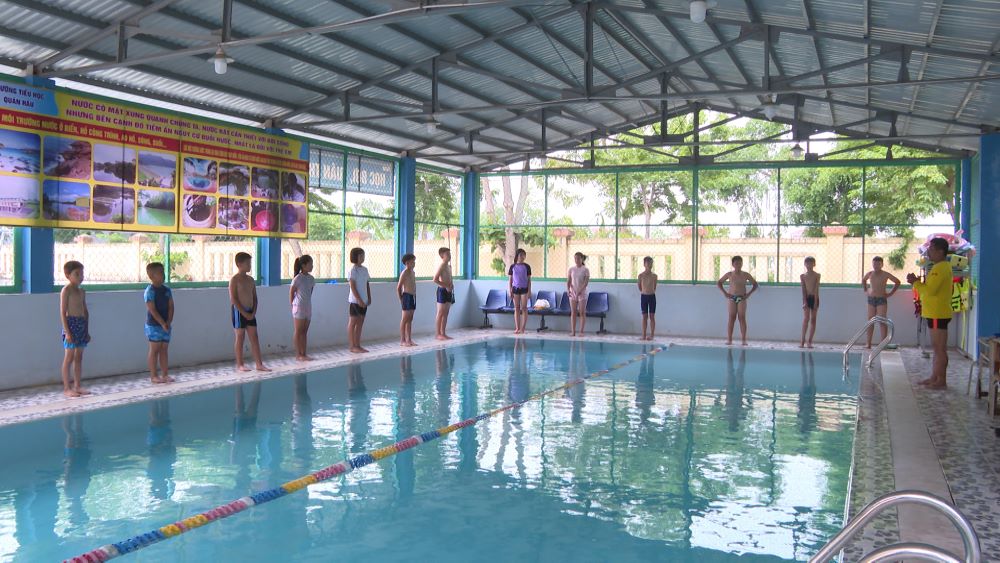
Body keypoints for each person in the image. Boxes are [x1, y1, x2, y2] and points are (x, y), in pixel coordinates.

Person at [907, 237, 953, 389]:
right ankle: (935, 377)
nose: (929, 252)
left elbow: (930, 291)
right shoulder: (939, 266)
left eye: (932, 249)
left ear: (940, 251)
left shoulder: (941, 268)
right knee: (937, 347)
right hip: (935, 312)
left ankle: (941, 380)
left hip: (937, 313)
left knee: (939, 348)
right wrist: (918, 282)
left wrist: (915, 282)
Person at [229, 252, 269, 372]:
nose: (250, 265)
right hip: (238, 311)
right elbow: (233, 299)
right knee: (240, 337)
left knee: (254, 337)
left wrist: (253, 312)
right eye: (247, 263)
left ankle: (259, 364)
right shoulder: (234, 280)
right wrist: (243, 312)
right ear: (239, 264)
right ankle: (240, 364)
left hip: (251, 311)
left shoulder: (251, 280)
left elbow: (255, 298)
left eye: (250, 263)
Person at [60, 261, 91, 397]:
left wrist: (86, 330)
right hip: (70, 324)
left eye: (82, 273)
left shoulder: (82, 291)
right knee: (69, 357)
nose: (80, 276)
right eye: (77, 274)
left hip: (81, 324)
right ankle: (67, 388)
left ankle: (77, 385)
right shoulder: (66, 290)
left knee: (79, 357)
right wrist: (67, 331)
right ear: (68, 275)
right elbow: (62, 312)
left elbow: (85, 311)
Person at [717, 255, 759, 346]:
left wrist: (748, 294)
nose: (738, 265)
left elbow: (755, 284)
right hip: (732, 298)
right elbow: (719, 282)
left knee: (742, 318)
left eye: (740, 263)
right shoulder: (729, 274)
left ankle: (743, 340)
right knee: (731, 318)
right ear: (733, 264)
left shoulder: (745, 275)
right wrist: (725, 293)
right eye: (736, 263)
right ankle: (729, 340)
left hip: (742, 298)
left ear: (742, 264)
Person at [144, 262, 174, 384]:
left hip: (165, 325)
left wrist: (168, 321)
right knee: (154, 349)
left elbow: (171, 306)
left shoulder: (167, 290)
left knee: (164, 349)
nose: (164, 275)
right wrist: (162, 323)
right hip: (154, 325)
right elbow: (152, 310)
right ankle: (153, 376)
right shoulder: (150, 291)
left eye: (163, 272)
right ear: (151, 276)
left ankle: (165, 374)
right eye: (160, 273)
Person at [861, 256, 900, 348]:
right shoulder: (870, 273)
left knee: (882, 321)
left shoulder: (885, 274)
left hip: (881, 300)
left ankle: (883, 344)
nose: (876, 266)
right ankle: (868, 343)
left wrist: (890, 293)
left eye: (878, 264)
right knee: (870, 321)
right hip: (871, 299)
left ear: (882, 264)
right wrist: (866, 290)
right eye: (874, 264)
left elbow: (897, 282)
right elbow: (863, 280)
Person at [289, 255, 315, 362]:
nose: (312, 266)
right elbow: (291, 292)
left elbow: (310, 293)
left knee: (304, 331)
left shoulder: (311, 279)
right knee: (298, 331)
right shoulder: (297, 278)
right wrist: (293, 305)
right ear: (303, 266)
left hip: (307, 306)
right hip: (298, 307)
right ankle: (298, 354)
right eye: (310, 264)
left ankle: (304, 353)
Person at [347, 247, 371, 353]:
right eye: (360, 256)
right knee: (353, 323)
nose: (363, 258)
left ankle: (358, 345)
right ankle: (352, 346)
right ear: (355, 257)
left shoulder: (365, 269)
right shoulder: (353, 270)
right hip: (355, 301)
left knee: (360, 323)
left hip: (364, 301)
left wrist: (369, 297)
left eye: (363, 255)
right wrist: (359, 300)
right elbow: (353, 287)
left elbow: (367, 284)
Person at [508, 248, 532, 334]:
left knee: (524, 308)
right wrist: (510, 290)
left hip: (524, 289)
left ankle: (523, 328)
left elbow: (529, 280)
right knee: (517, 308)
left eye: (523, 255)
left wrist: (529, 291)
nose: (522, 257)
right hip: (515, 289)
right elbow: (510, 280)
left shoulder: (527, 267)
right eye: (520, 255)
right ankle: (517, 328)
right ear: (517, 256)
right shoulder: (512, 266)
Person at [433, 247, 455, 341]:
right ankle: (438, 334)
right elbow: (435, 279)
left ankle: (443, 333)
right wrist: (445, 285)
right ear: (442, 256)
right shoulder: (441, 266)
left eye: (450, 254)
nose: (449, 256)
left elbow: (450, 279)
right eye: (447, 254)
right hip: (442, 291)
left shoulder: (449, 266)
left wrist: (451, 285)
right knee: (440, 313)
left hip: (449, 291)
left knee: (446, 313)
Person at [567, 252, 590, 336]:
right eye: (575, 258)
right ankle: (573, 331)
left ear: (582, 259)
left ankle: (581, 331)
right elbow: (569, 281)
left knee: (582, 312)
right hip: (573, 292)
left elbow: (586, 282)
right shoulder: (571, 269)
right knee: (573, 312)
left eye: (578, 258)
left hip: (582, 293)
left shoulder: (585, 270)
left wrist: (579, 291)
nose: (576, 260)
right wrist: (568, 289)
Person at [800, 256, 820, 348]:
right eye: (807, 263)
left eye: (811, 263)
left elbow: (816, 289)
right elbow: (803, 290)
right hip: (807, 298)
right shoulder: (803, 276)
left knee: (813, 320)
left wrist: (815, 301)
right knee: (806, 319)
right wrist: (804, 301)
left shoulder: (817, 275)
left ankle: (810, 341)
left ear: (814, 264)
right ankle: (802, 340)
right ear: (805, 264)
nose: (809, 265)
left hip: (814, 298)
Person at [397, 253, 417, 347]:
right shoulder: (404, 273)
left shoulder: (413, 272)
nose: (414, 263)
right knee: (405, 319)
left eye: (414, 261)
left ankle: (409, 339)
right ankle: (402, 340)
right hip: (406, 296)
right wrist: (401, 299)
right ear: (407, 263)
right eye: (413, 261)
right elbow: (399, 287)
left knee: (410, 319)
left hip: (412, 296)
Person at [637, 256, 658, 341]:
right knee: (644, 316)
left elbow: (655, 287)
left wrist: (650, 291)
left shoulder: (654, 276)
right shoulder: (641, 276)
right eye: (648, 263)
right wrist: (644, 291)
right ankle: (644, 335)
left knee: (652, 316)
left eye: (651, 263)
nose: (650, 264)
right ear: (644, 264)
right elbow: (639, 287)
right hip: (644, 297)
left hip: (652, 296)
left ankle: (652, 335)